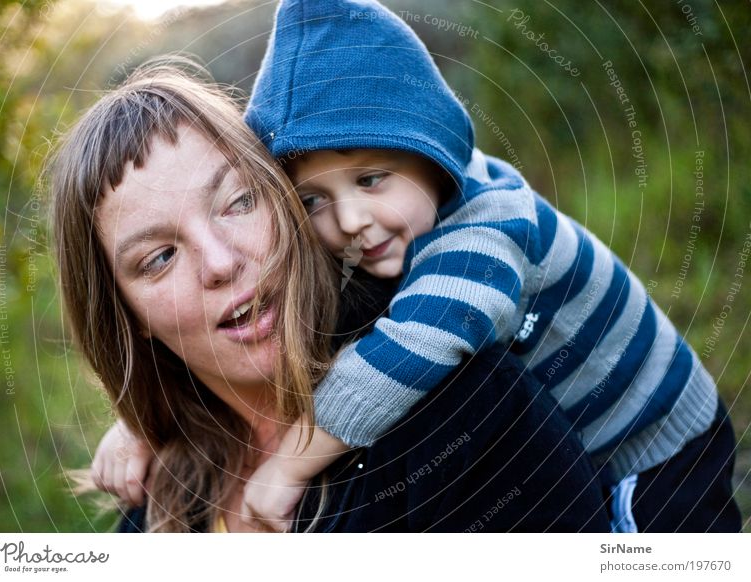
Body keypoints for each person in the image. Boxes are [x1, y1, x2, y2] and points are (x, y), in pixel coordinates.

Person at [236, 0, 739, 532]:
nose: (351, 219)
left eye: (370, 179)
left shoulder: (489, 229)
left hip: (658, 450)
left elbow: (413, 345)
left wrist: (287, 468)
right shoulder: (418, 213)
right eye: (313, 201)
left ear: (430, 150)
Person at [52, 56, 611, 532]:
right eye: (160, 258)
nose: (221, 263)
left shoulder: (462, 411)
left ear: (289, 204)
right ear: (129, 314)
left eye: (238, 202)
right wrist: (143, 417)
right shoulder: (150, 509)